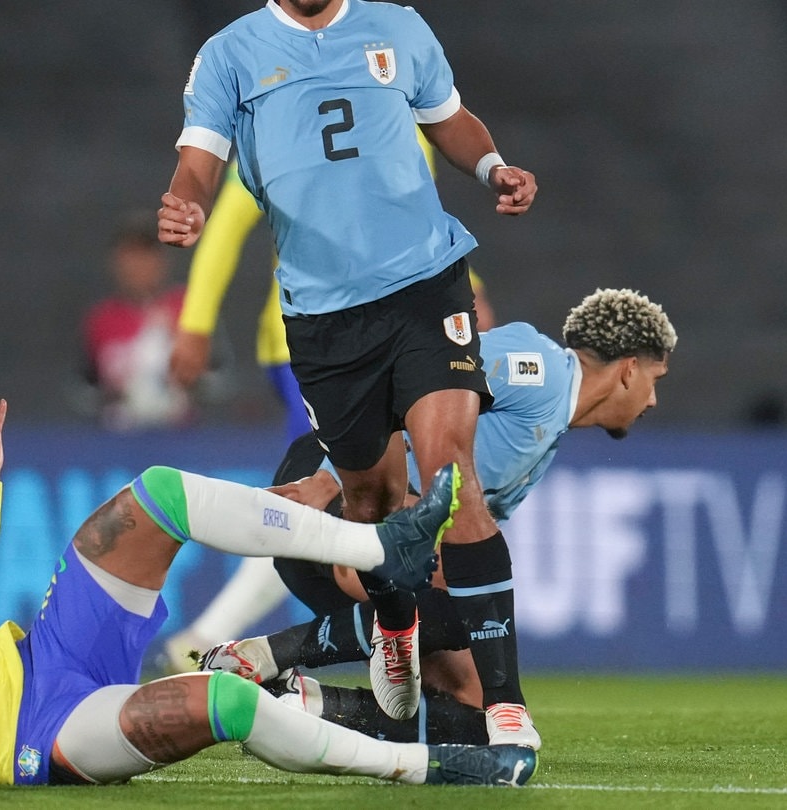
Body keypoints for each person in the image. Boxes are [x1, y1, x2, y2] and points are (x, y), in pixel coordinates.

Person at [0, 379, 538, 788]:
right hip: (42, 731)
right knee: (221, 704)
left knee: (156, 495)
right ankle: (429, 766)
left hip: (46, 653)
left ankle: (376, 545)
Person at [158, 0, 539, 742]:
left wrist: (494, 165)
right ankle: (393, 625)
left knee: (450, 473)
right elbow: (199, 161)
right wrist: (185, 203)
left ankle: (505, 701)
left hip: (428, 284)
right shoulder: (230, 54)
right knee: (370, 503)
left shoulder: (398, 27)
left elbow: (450, 118)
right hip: (325, 320)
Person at [199, 288, 678, 743]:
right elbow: (411, 385)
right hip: (350, 479)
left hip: (374, 508)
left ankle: (298, 702)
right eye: (656, 382)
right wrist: (332, 478)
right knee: (471, 605)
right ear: (630, 370)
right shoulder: (541, 368)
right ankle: (264, 654)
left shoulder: (548, 433)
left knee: (471, 711)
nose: (654, 401)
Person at [160, 147, 499, 673]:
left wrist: (465, 287)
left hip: (404, 332)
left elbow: (417, 220)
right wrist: (195, 322)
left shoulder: (404, 119)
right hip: (317, 342)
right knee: (326, 493)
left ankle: (231, 636)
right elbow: (226, 224)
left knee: (367, 494)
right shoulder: (284, 116)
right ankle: (210, 637)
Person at [81, 216, 200, 432]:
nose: (138, 264)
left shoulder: (188, 308)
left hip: (182, 438)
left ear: (161, 260)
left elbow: (221, 381)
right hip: (119, 440)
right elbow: (83, 388)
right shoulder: (101, 319)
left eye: (146, 254)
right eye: (130, 255)